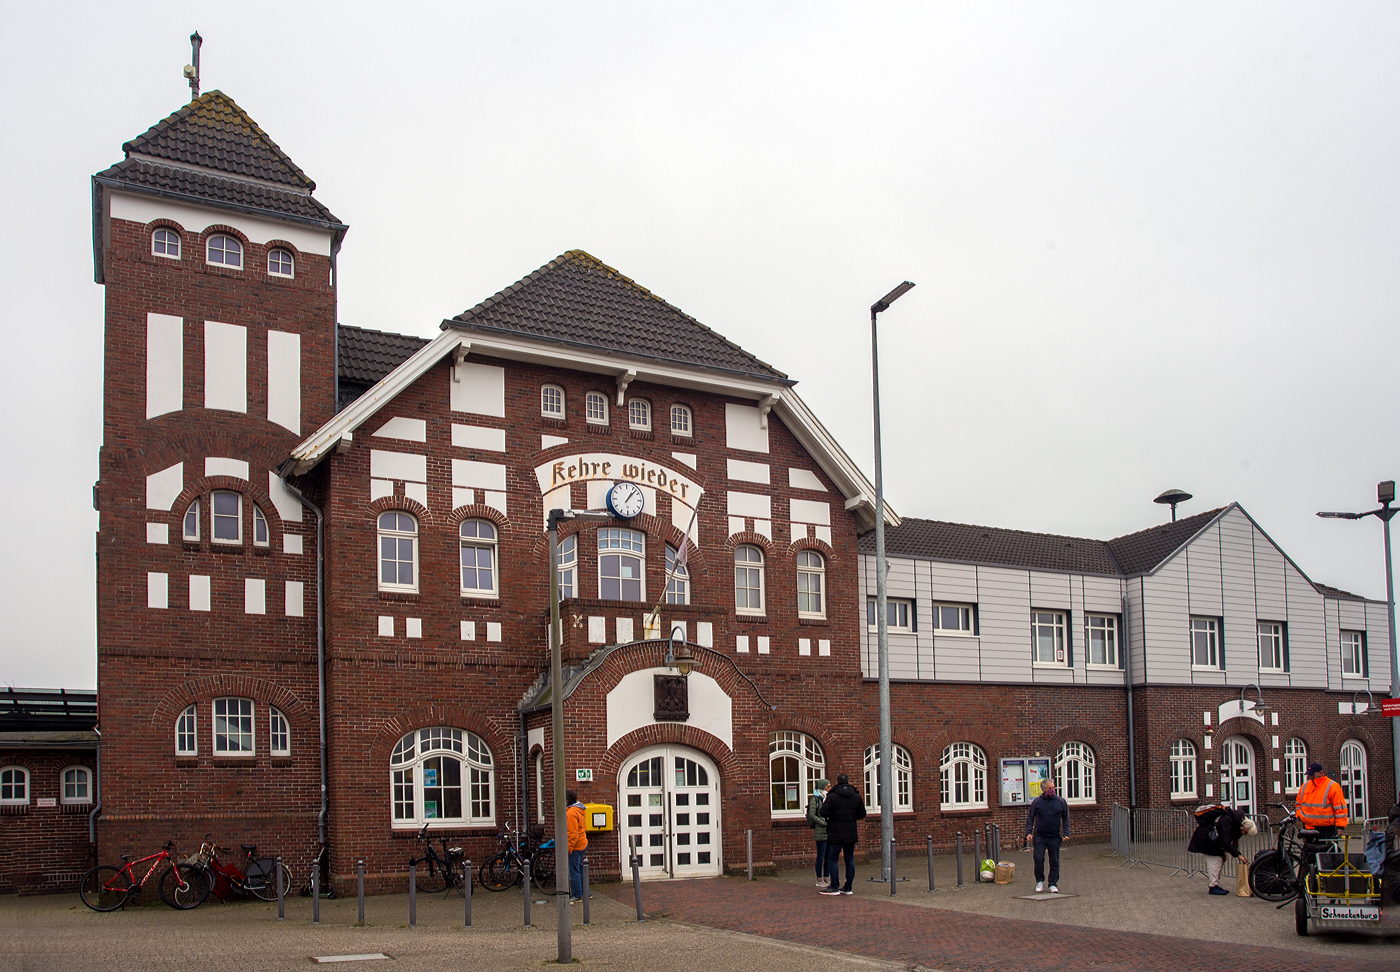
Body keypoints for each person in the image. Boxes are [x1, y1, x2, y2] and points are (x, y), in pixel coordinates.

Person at [1187, 805, 1257, 895]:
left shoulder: (1233, 820)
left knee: (1220, 859)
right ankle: (1213, 886)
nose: (1245, 835)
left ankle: (1215, 884)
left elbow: (1225, 840)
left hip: (1212, 839)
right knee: (1215, 861)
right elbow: (1226, 842)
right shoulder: (1228, 821)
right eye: (1246, 833)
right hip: (1207, 840)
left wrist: (1227, 852)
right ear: (1245, 827)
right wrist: (1238, 855)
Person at [818, 773, 866, 895]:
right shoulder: (856, 796)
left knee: (833, 859)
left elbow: (823, 812)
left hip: (835, 832)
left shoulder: (833, 796)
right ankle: (848, 886)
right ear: (848, 781)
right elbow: (862, 814)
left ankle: (834, 886)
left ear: (837, 782)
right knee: (849, 859)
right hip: (851, 832)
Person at [1024, 778, 1070, 893]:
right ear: (1044, 789)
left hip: (1054, 835)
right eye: (1050, 788)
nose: (1052, 790)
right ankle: (1040, 880)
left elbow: (1066, 818)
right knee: (1038, 859)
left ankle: (1053, 883)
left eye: (1053, 787)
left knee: (1054, 860)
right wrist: (1028, 832)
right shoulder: (1037, 802)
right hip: (1040, 836)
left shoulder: (1060, 801)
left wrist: (1066, 833)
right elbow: (1030, 818)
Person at [1296, 762, 1348, 838]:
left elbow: (1340, 808)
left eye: (1312, 774)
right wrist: (1300, 816)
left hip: (1326, 829)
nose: (1310, 776)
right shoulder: (1305, 785)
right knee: (1309, 849)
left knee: (1327, 849)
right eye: (1309, 775)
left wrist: (1340, 826)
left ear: (1320, 773)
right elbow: (1298, 804)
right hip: (1308, 827)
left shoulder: (1332, 786)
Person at [806, 778, 833, 887]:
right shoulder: (815, 800)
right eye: (828, 786)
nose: (830, 788)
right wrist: (823, 823)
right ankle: (819, 878)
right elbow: (812, 815)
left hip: (829, 832)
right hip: (820, 831)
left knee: (828, 857)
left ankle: (827, 877)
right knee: (820, 856)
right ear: (822, 787)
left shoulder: (829, 799)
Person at [566, 789, 588, 903]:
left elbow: (572, 833)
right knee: (580, 869)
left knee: (574, 871)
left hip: (576, 846)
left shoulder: (570, 813)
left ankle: (577, 895)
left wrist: (569, 848)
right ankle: (586, 892)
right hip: (582, 843)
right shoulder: (579, 809)